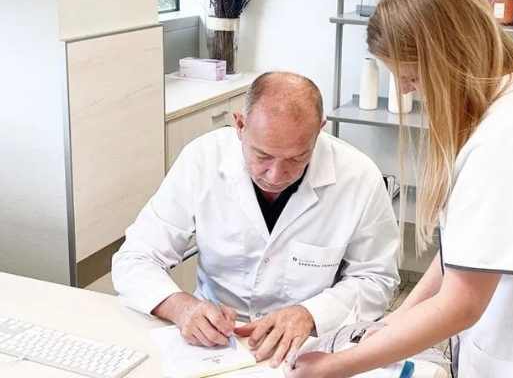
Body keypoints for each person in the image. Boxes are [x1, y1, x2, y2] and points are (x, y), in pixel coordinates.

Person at [287, 0, 513, 377]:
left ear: (446, 56)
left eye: (412, 78)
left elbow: (462, 303)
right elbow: (463, 256)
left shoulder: (509, 137)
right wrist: (388, 325)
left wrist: (337, 366)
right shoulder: (512, 101)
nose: (409, 91)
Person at [112, 71, 400, 368]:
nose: (276, 175)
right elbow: (134, 258)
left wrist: (311, 314)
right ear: (239, 125)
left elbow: (377, 279)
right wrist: (181, 308)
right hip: (214, 343)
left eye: (296, 159)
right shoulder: (202, 159)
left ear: (319, 131)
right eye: (262, 156)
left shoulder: (359, 177)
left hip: (312, 346)